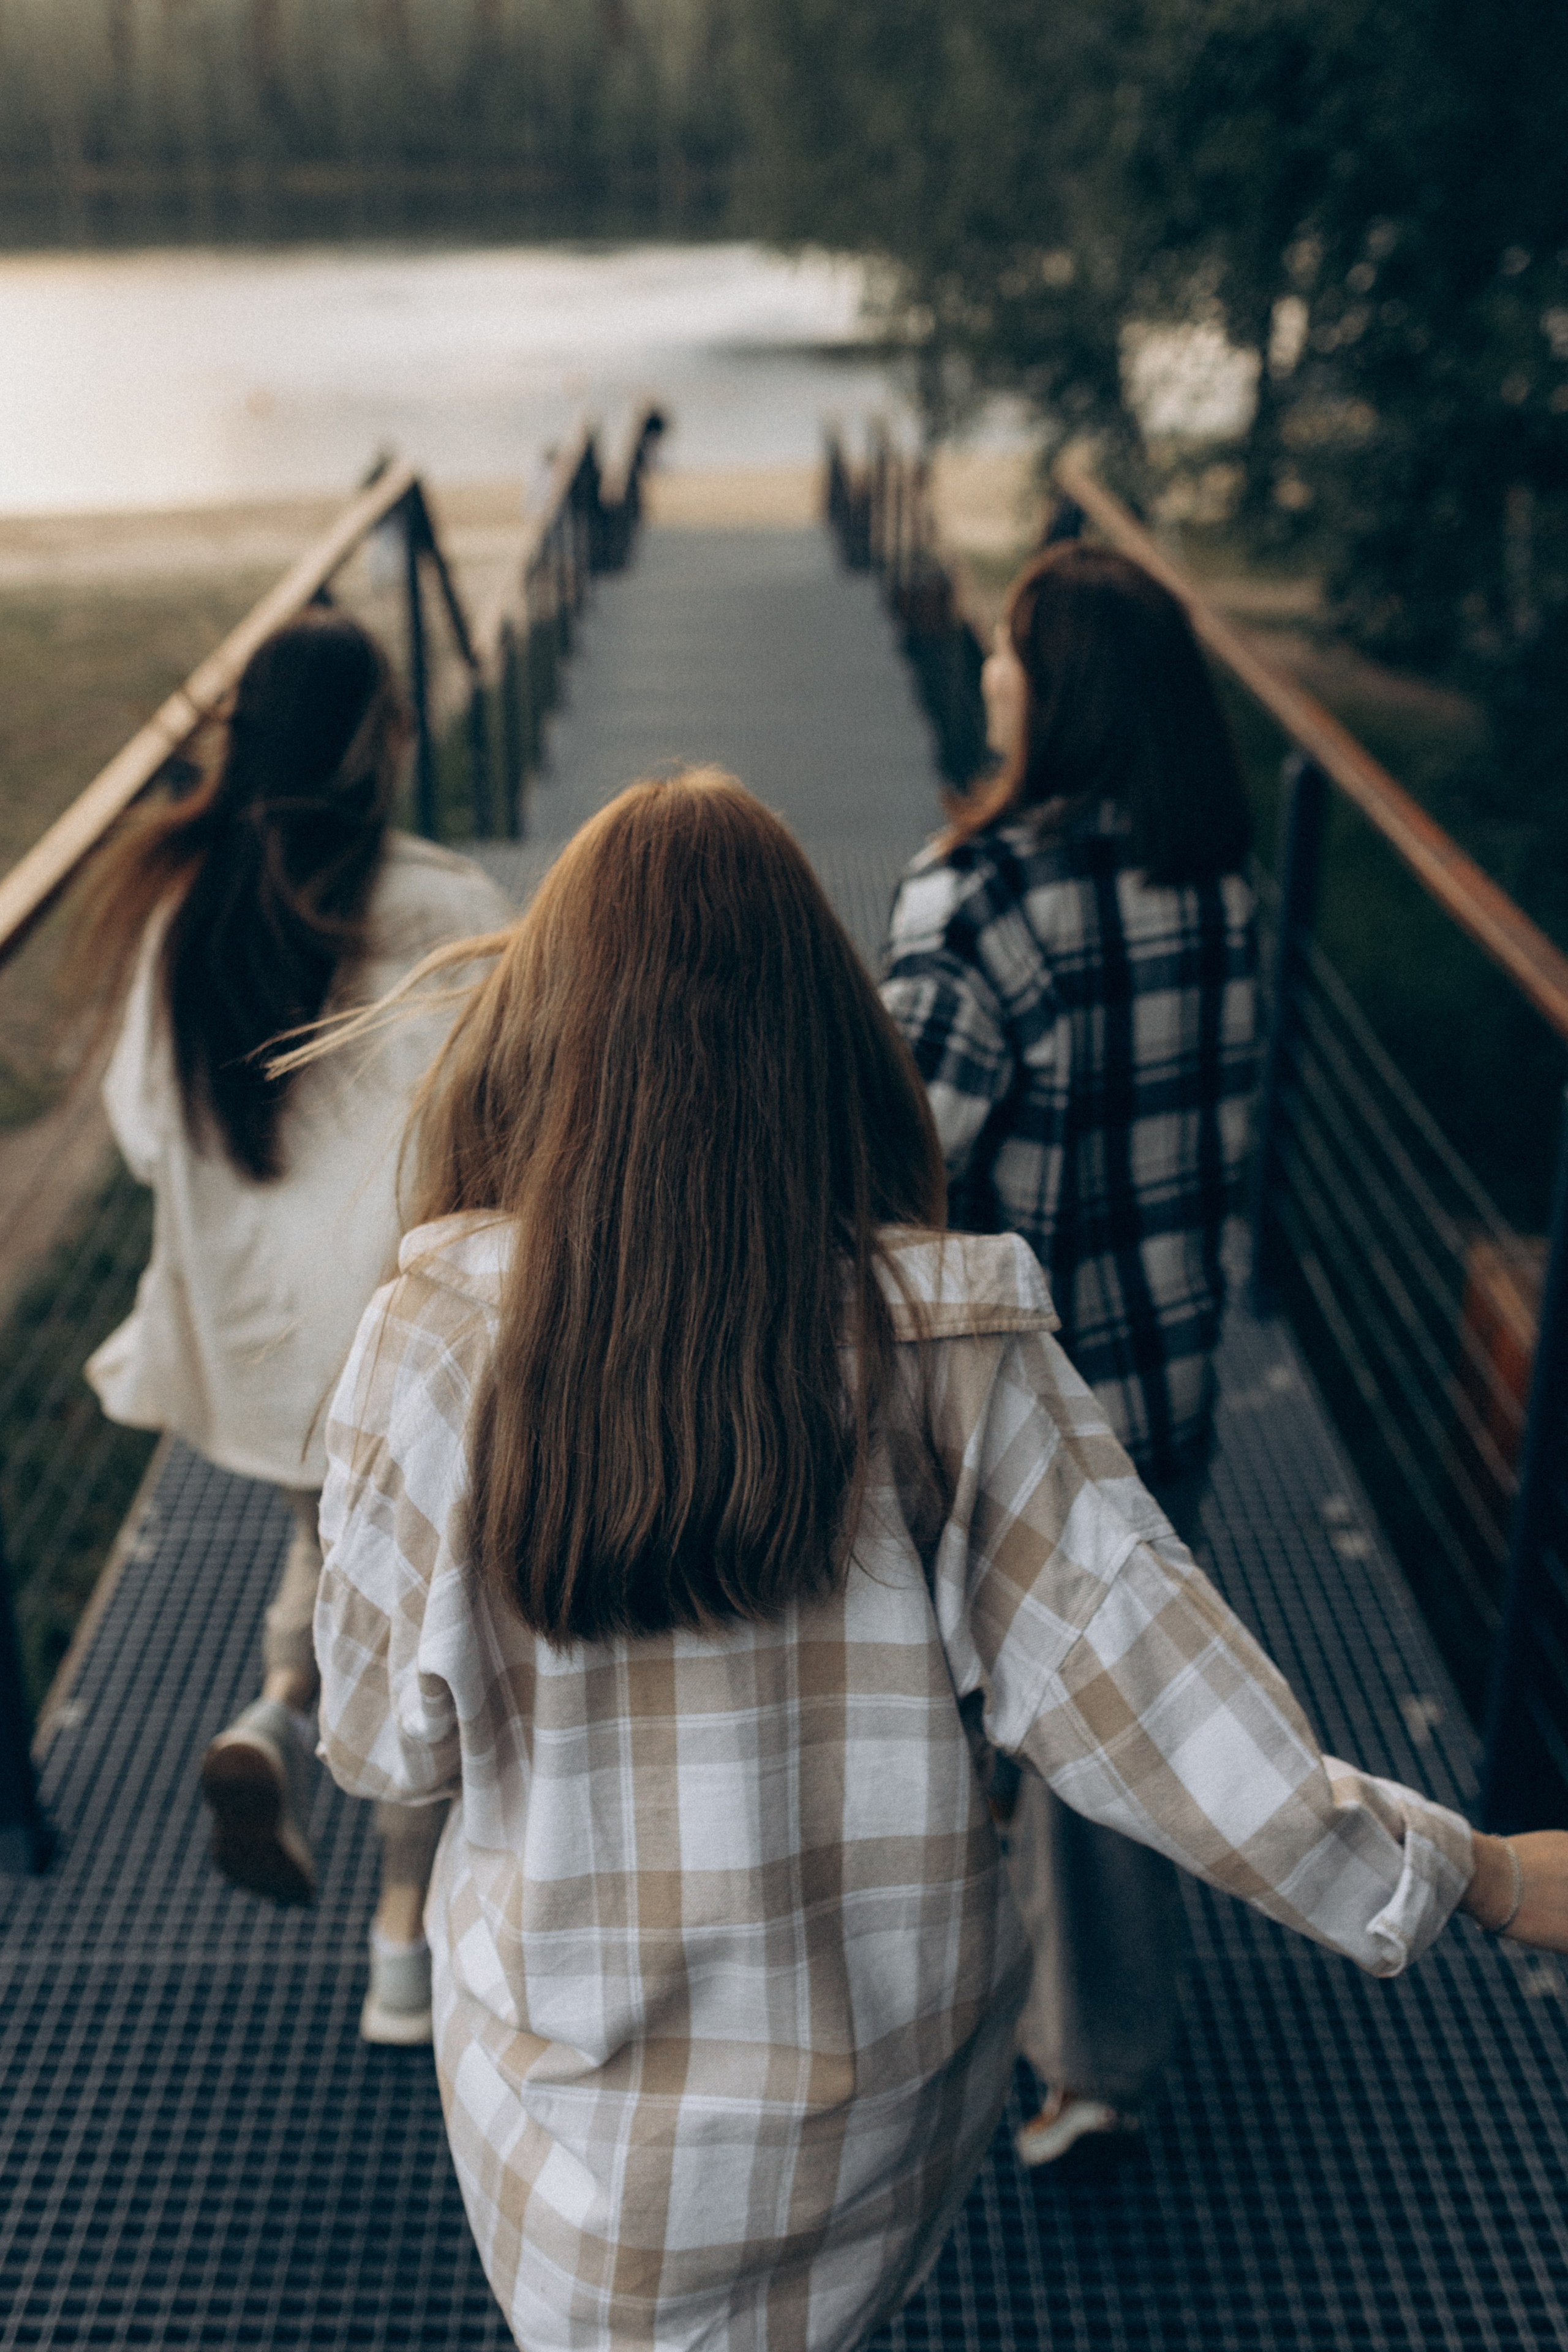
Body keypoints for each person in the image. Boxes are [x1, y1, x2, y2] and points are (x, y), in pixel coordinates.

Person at [308, 770, 1565, 2352]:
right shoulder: (951, 1341)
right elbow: (1147, 1687)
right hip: (873, 2140)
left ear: (540, 1036)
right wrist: (1485, 1875)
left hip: (577, 2169)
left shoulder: (428, 1346)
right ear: (827, 1043)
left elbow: (377, 1743)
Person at [75, 610, 511, 2043]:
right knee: (423, 1608)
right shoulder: (448, 907)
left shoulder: (182, 916)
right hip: (407, 1351)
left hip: (257, 1353)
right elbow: (501, 1125)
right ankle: (399, 1950)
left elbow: (148, 1134)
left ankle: (271, 1708)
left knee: (321, 1533)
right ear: (382, 742)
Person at [880, 540, 1257, 2163]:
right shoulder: (1224, 881)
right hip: (1165, 1375)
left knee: (955, 1669)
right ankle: (1094, 2052)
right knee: (1113, 1689)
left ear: (1060, 690)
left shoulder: (978, 898)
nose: (987, 667)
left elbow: (899, 1166)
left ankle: (974, 2005)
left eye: (1010, 649)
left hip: (1008, 1401)